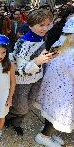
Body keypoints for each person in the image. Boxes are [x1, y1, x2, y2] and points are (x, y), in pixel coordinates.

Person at [6, 9, 54, 136]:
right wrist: (38, 61)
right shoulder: (24, 43)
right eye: (41, 25)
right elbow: (22, 70)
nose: (45, 28)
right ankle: (8, 117)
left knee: (30, 104)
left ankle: (16, 123)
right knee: (21, 106)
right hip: (23, 81)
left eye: (48, 24)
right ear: (31, 25)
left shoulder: (41, 38)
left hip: (37, 78)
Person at [34, 16, 74, 147]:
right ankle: (44, 136)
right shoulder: (71, 51)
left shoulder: (61, 43)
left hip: (53, 85)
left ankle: (48, 132)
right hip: (63, 90)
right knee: (58, 114)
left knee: (51, 112)